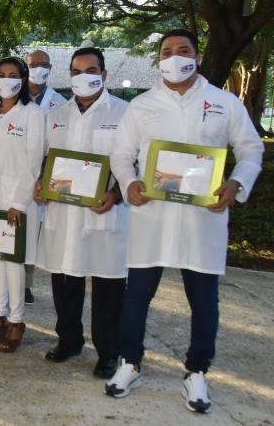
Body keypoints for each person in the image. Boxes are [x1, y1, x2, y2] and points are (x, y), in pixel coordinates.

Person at [105, 29, 264, 413]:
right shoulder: (142, 106)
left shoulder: (223, 103)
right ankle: (130, 363)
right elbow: (121, 154)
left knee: (204, 301)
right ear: (159, 61)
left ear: (197, 56)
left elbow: (250, 148)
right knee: (137, 295)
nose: (175, 57)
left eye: (184, 50)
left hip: (201, 220)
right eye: (167, 52)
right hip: (151, 216)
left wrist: (236, 183)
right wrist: (129, 183)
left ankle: (197, 372)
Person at [35, 46, 129, 379]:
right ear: (69, 76)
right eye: (76, 71)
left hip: (105, 212)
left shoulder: (124, 113)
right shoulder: (57, 115)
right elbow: (45, 160)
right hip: (64, 214)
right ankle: (69, 340)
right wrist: (40, 183)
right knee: (65, 282)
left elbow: (139, 162)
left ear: (104, 75)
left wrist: (116, 193)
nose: (83, 77)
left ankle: (108, 352)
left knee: (107, 287)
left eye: (91, 71)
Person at [0, 57, 44, 352]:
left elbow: (34, 161)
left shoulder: (32, 114)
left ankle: (16, 321)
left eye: (13, 75)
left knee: (13, 263)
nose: (7, 80)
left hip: (18, 204)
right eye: (1, 75)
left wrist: (18, 202)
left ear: (23, 79)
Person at [23, 49, 67, 305]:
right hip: (18, 172)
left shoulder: (59, 103)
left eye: (43, 65)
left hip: (46, 173)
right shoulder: (14, 97)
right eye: (33, 64)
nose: (38, 69)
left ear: (50, 68)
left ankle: (26, 284)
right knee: (17, 230)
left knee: (36, 231)